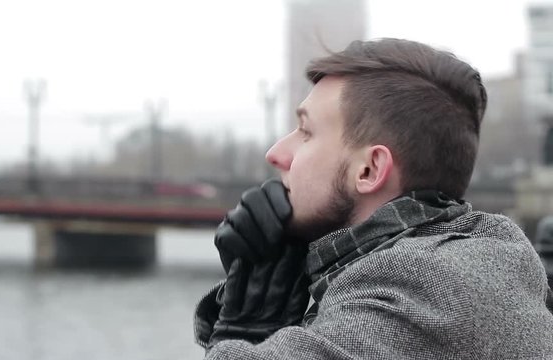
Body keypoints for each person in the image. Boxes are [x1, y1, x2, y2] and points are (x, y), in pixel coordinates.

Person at [194, 38, 553, 359]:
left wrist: (241, 332)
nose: (276, 152)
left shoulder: (419, 286)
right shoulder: (477, 257)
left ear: (369, 170)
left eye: (305, 132)